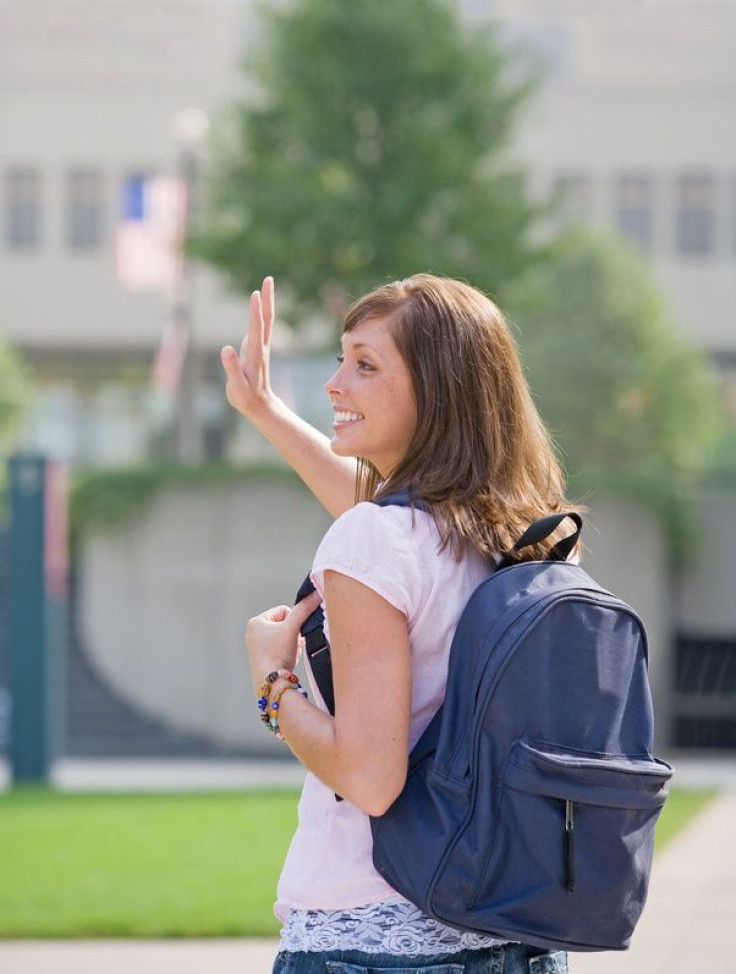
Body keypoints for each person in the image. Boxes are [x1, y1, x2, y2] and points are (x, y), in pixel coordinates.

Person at [220, 274, 578, 974]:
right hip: (515, 933)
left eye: (364, 364)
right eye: (340, 358)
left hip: (370, 939)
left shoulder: (377, 541)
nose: (334, 383)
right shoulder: (514, 532)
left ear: (436, 392)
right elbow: (369, 514)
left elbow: (369, 778)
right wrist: (263, 409)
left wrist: (271, 679)